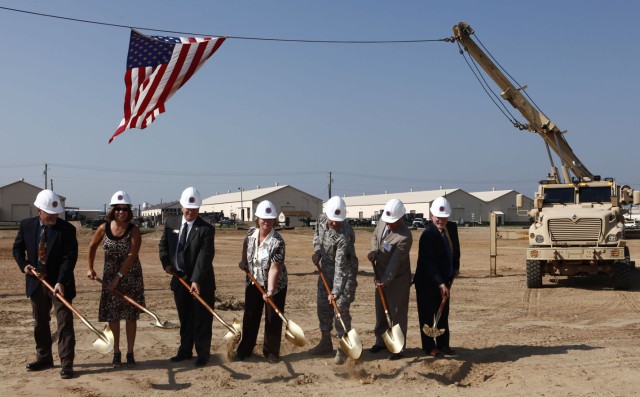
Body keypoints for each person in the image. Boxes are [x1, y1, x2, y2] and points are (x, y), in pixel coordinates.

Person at [13, 190, 78, 379]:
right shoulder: (27, 226)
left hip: (60, 283)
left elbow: (69, 258)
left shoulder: (67, 229)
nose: (54, 217)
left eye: (56, 214)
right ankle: (44, 358)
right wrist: (24, 265)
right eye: (49, 214)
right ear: (39, 210)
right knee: (40, 322)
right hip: (36, 282)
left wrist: (60, 281)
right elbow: (17, 249)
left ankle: (67, 364)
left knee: (64, 323)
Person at [87, 191, 145, 367]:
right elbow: (92, 247)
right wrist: (90, 268)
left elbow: (132, 255)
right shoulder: (103, 228)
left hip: (130, 277)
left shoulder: (134, 230)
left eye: (125, 209)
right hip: (109, 276)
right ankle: (117, 353)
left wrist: (118, 278)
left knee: (130, 316)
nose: (121, 212)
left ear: (129, 210)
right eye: (118, 208)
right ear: (113, 209)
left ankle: (130, 353)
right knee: (113, 316)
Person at [159, 187, 216, 366]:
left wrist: (196, 280)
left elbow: (205, 257)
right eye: (187, 208)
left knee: (201, 319)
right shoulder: (171, 223)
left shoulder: (206, 229)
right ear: (182, 206)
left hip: (201, 281)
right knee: (185, 318)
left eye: (194, 209)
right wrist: (166, 263)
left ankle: (202, 353)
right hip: (179, 279)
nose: (190, 212)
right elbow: (163, 245)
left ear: (199, 209)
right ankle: (185, 351)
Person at [235, 200, 288, 363]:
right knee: (250, 315)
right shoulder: (250, 233)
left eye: (270, 219)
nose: (266, 222)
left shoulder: (278, 242)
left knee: (272, 318)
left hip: (275, 285)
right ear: (257, 218)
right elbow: (246, 246)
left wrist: (270, 291)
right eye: (263, 218)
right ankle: (245, 349)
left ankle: (271, 352)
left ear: (274, 221)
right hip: (253, 281)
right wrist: (243, 261)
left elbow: (274, 268)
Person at [309, 196, 358, 364]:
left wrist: (336, 292)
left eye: (338, 220)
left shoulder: (345, 235)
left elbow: (342, 268)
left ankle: (343, 347)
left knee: (340, 309)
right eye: (332, 220)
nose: (334, 223)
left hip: (345, 275)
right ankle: (325, 342)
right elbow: (317, 237)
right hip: (326, 270)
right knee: (323, 305)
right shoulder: (321, 220)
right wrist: (317, 251)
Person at [414, 196, 460, 358]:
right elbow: (429, 262)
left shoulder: (451, 228)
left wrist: (455, 267)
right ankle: (429, 347)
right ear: (431, 215)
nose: (441, 220)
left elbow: (455, 249)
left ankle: (443, 344)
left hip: (445, 279)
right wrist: (440, 283)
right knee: (428, 315)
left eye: (444, 217)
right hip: (427, 281)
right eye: (438, 217)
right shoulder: (427, 235)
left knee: (443, 314)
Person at [366, 198, 412, 360]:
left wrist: (385, 280)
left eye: (392, 222)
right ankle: (381, 341)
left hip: (397, 278)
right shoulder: (383, 220)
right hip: (380, 272)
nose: (388, 225)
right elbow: (375, 237)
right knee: (380, 308)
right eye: (387, 221)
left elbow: (395, 263)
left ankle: (398, 348)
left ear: (401, 219)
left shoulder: (405, 237)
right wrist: (374, 251)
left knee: (397, 312)